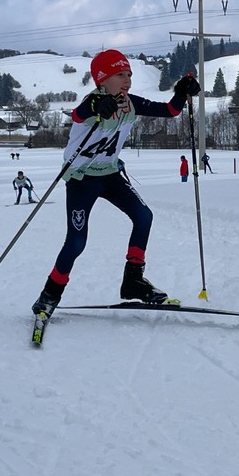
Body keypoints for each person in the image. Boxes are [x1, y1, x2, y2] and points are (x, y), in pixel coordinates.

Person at [31, 49, 201, 319]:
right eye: (120, 75)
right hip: (81, 180)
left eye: (129, 74)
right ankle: (49, 295)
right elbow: (79, 114)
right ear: (102, 79)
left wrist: (181, 92)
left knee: (143, 216)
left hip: (110, 175)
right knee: (76, 242)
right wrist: (97, 106)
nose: (127, 80)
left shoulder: (130, 103)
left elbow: (170, 111)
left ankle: (133, 280)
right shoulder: (92, 103)